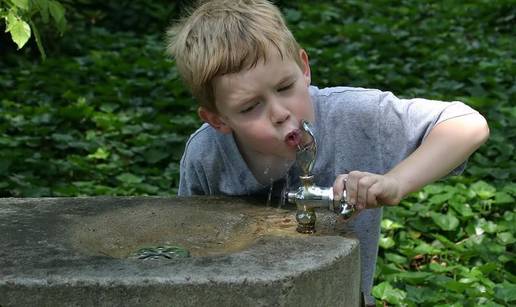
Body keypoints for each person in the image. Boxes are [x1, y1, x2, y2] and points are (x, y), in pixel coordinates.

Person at [166, 0, 489, 304]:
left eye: (284, 88)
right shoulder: (207, 155)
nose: (279, 113)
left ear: (303, 68)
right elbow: (193, 246)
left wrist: (396, 182)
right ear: (219, 119)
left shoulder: (351, 115)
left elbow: (466, 123)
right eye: (250, 107)